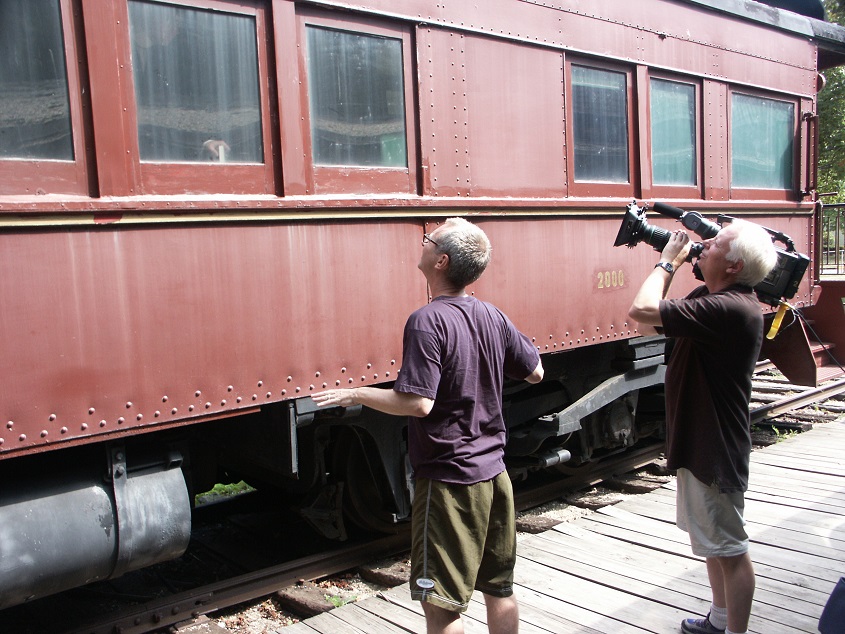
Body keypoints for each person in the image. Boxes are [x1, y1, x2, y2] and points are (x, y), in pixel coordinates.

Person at [312, 217, 543, 634]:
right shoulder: (491, 314)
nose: (423, 241)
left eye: (429, 239)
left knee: (440, 608)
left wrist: (357, 393)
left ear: (441, 261)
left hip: (450, 481)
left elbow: (419, 403)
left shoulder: (427, 320)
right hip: (495, 476)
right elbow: (536, 372)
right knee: (499, 588)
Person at [627, 218, 778, 634]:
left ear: (733, 265)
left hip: (716, 448)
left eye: (714, 243)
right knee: (712, 544)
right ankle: (719, 619)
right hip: (699, 441)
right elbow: (646, 325)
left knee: (730, 549)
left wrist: (667, 264)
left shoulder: (730, 308)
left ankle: (734, 632)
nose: (703, 245)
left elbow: (639, 309)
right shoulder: (712, 298)